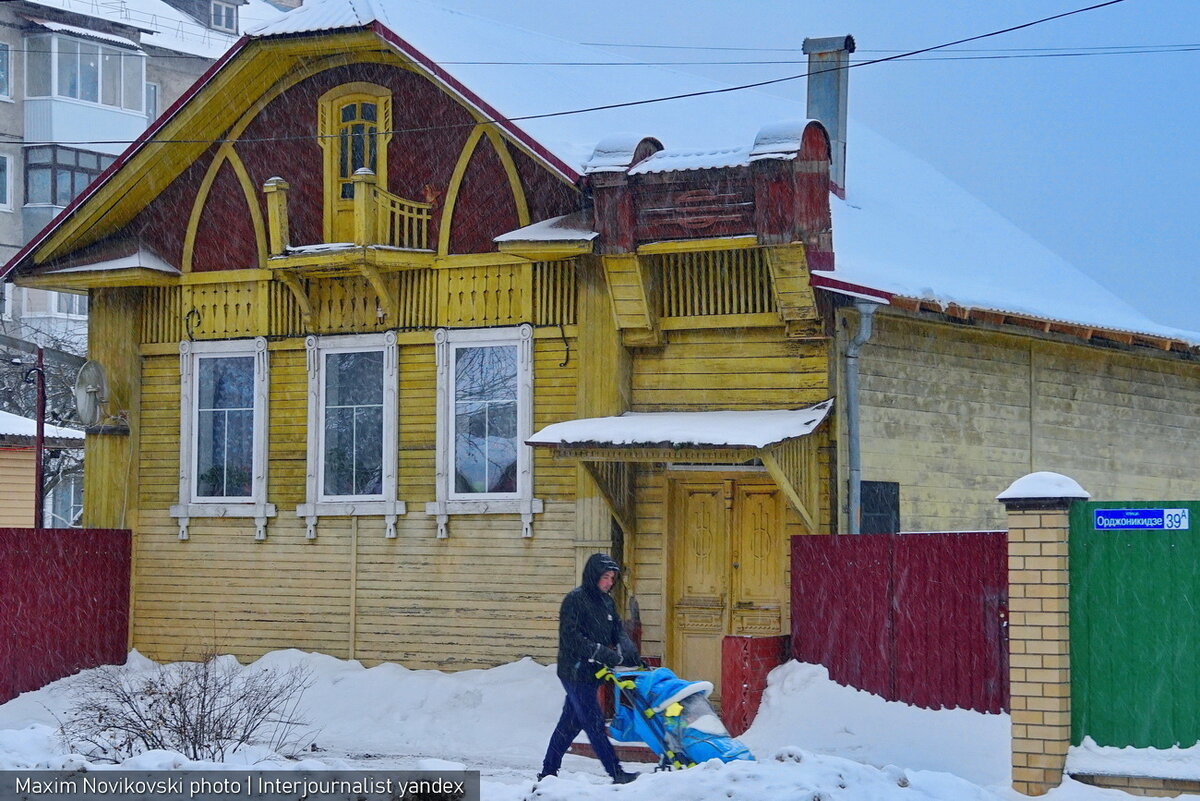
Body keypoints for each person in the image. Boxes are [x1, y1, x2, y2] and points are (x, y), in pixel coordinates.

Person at [538, 553, 640, 785]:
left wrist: (628, 647)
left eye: (612, 578)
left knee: (570, 724)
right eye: (605, 577)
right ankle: (616, 773)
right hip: (574, 671)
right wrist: (600, 652)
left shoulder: (606, 601)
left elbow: (617, 630)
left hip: (593, 671)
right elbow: (572, 637)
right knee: (593, 722)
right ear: (593, 575)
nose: (609, 583)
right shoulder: (575, 600)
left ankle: (548, 773)